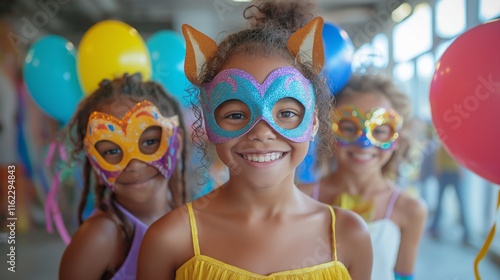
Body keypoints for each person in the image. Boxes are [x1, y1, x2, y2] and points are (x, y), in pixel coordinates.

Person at [137, 1, 372, 279]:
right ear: (209, 124)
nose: (261, 132)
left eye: (286, 113)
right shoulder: (169, 239)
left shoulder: (348, 236)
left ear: (313, 123)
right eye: (236, 114)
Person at [59, 73, 188, 280]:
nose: (134, 165)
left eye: (149, 142)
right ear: (94, 161)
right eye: (111, 151)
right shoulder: (100, 237)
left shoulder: (189, 218)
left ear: (177, 142)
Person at [300, 74, 427, 280]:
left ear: (396, 139)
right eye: (349, 127)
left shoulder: (410, 211)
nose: (364, 143)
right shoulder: (301, 197)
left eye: (380, 130)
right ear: (328, 131)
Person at [429, 144, 470, 244]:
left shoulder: (459, 143)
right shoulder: (444, 141)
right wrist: (437, 168)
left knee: (461, 203)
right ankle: (434, 228)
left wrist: (461, 169)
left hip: (455, 173)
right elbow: (439, 154)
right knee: (439, 202)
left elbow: (462, 156)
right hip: (444, 172)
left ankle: (467, 233)